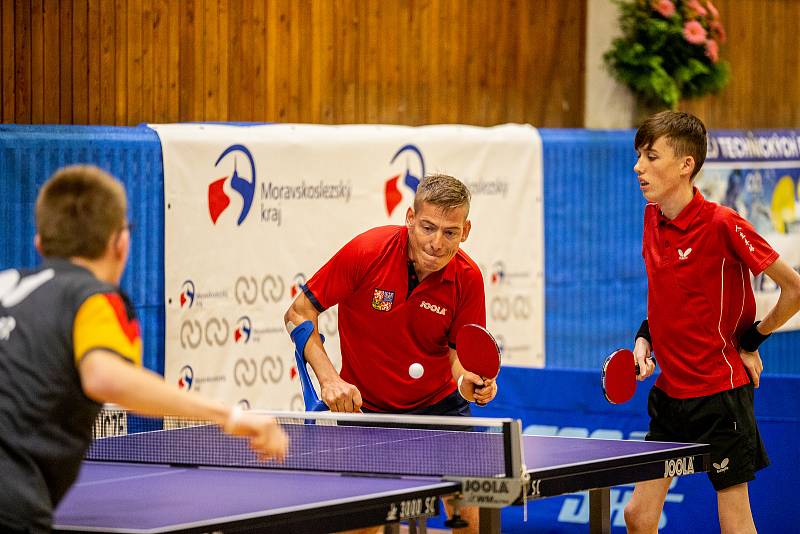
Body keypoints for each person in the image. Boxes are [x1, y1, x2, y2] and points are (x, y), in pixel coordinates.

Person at [0, 165, 288, 533]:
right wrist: (229, 416)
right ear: (120, 243)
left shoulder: (5, 284)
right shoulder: (91, 298)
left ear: (40, 243)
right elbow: (106, 378)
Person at [284, 172, 497, 533]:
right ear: (410, 219)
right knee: (361, 524)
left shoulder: (468, 278)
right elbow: (299, 312)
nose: (436, 243)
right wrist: (329, 378)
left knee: (472, 513)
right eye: (428, 227)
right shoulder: (368, 252)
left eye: (451, 232)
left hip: (439, 408)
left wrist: (471, 384)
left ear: (466, 230)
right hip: (366, 409)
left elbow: (459, 358)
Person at [624, 111, 800, 534]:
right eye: (638, 156)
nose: (638, 167)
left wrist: (753, 339)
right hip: (669, 395)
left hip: (720, 396)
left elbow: (793, 289)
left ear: (686, 164)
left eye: (651, 156)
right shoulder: (652, 217)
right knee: (637, 516)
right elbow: (669, 294)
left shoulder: (723, 224)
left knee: (735, 521)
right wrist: (645, 337)